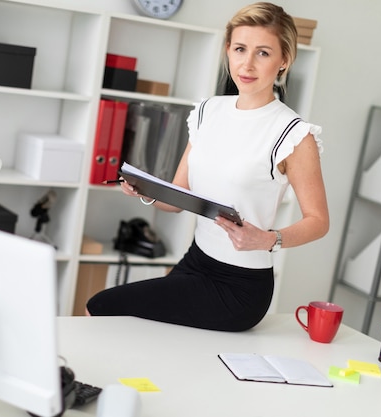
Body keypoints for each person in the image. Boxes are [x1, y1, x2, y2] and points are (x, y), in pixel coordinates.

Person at [86, 2, 329, 332]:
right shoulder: (208, 112)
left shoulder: (294, 133)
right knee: (138, 332)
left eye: (263, 53)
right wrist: (144, 191)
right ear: (228, 50)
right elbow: (176, 199)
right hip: (196, 262)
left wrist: (269, 239)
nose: (247, 63)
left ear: (283, 60)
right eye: (240, 48)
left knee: (101, 306)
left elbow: (318, 221)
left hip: (241, 286)